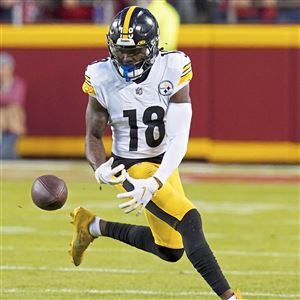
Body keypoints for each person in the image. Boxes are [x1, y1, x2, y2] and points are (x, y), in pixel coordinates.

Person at [69, 6, 243, 300]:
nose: (126, 58)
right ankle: (231, 298)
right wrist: (100, 168)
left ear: (152, 47)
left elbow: (179, 138)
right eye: (121, 51)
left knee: (171, 249)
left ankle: (92, 225)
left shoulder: (172, 68)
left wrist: (158, 180)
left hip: (164, 162)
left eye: (134, 52)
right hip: (131, 166)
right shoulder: (100, 76)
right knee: (189, 220)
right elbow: (93, 135)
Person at [0, 52, 26, 159]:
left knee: (13, 109)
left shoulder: (18, 84)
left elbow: (16, 99)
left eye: (4, 67)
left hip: (12, 122)